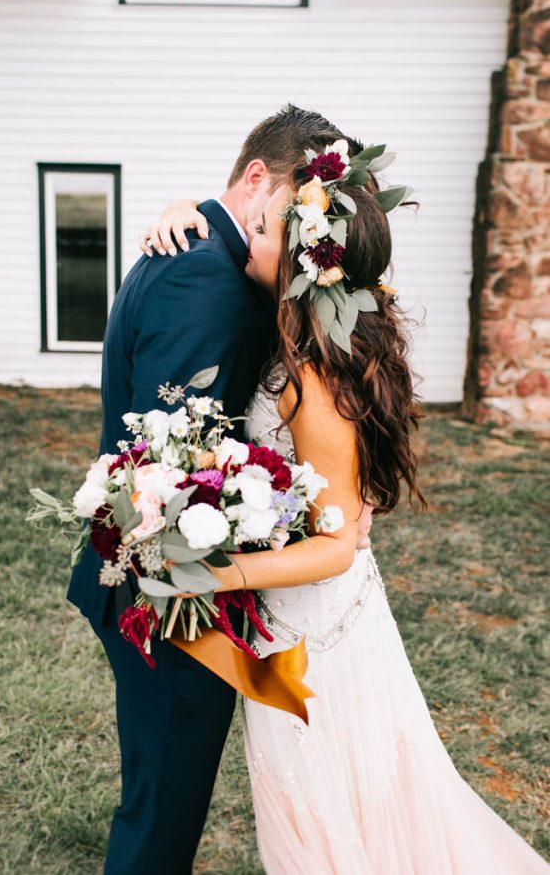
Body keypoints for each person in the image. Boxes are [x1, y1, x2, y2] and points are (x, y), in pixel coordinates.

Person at [144, 138, 549, 873]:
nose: (250, 238)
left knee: (333, 820)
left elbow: (338, 546)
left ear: (303, 266)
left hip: (319, 644)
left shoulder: (316, 380)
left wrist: (213, 574)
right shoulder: (299, 338)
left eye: (263, 231)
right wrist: (185, 212)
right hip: (297, 623)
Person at [67, 105, 373, 875]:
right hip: (170, 596)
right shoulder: (205, 275)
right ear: (257, 178)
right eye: (293, 219)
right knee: (162, 814)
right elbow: (162, 464)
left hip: (192, 584)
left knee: (161, 799)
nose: (308, 242)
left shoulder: (210, 250)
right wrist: (197, 570)